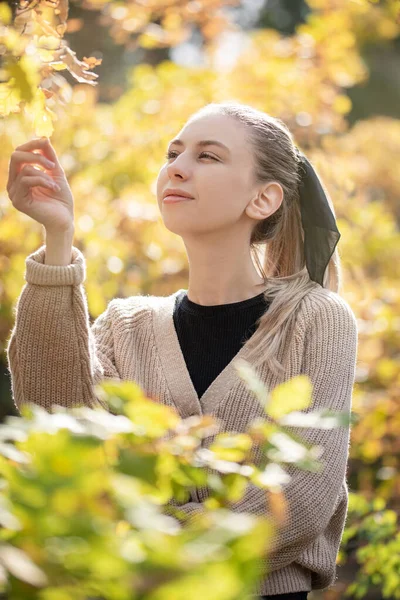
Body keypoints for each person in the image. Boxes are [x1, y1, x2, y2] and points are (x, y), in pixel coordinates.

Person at [5, 102, 358, 599]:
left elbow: (303, 496)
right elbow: (57, 421)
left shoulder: (315, 318)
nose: (177, 166)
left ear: (264, 199)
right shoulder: (127, 325)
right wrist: (58, 236)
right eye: (173, 152)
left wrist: (148, 539)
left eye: (208, 156)